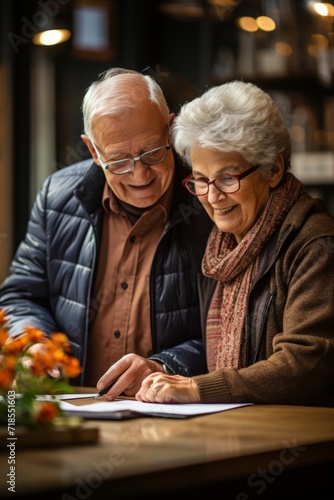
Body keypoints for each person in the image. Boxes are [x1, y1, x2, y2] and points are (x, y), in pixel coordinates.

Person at [0, 67, 214, 393]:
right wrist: (35, 344)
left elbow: (235, 326)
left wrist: (165, 366)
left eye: (152, 152)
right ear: (93, 151)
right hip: (74, 410)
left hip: (173, 414)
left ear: (171, 129)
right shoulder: (57, 195)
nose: (140, 174)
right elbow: (21, 295)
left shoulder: (210, 204)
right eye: (119, 161)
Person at [135, 80, 334, 407]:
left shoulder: (314, 241)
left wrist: (198, 389)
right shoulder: (219, 248)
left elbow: (306, 363)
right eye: (201, 180)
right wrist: (159, 367)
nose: (213, 197)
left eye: (228, 178)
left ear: (273, 169)